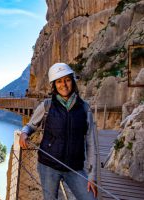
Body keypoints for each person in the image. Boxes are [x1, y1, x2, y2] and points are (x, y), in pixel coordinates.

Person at [19, 63, 97, 200]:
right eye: (59, 81)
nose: (64, 85)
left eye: (67, 80)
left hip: (74, 168)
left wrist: (92, 176)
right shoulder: (47, 105)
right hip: (48, 165)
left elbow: (91, 143)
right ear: (54, 85)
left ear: (72, 81)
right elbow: (30, 125)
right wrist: (24, 133)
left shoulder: (85, 109)